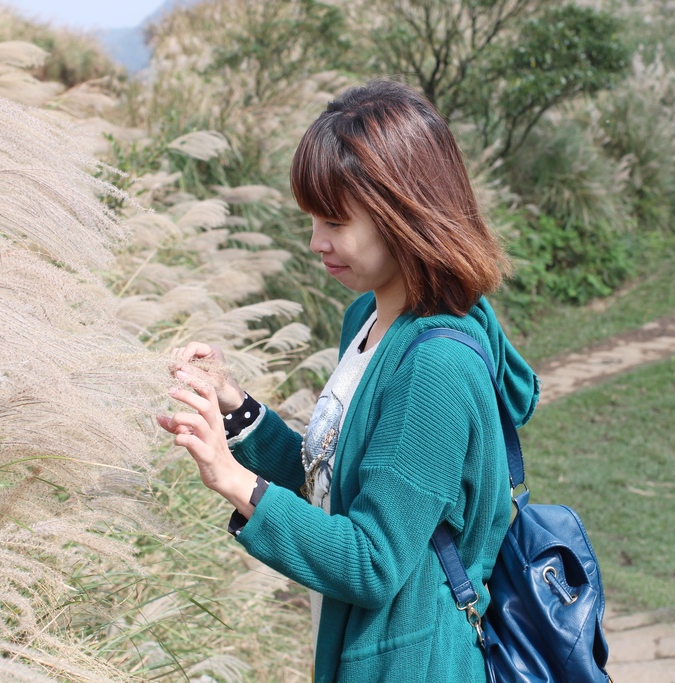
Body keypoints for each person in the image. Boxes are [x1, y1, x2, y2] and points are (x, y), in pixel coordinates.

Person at [158, 78, 539, 683]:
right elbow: (331, 486)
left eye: (335, 221)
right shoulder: (366, 319)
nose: (316, 242)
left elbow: (372, 560)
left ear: (403, 213)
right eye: (313, 219)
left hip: (413, 665)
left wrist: (233, 482)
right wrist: (235, 408)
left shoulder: (435, 368)